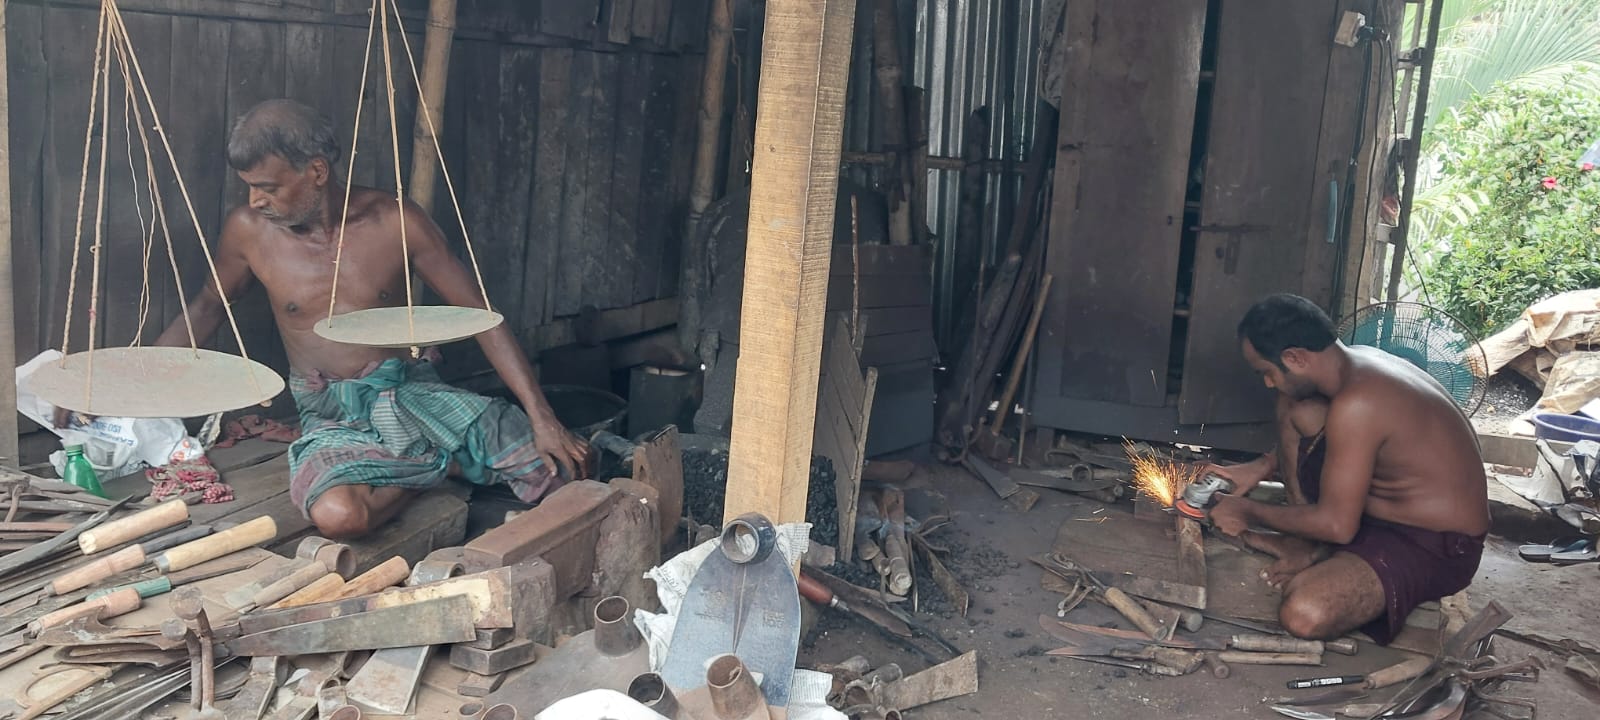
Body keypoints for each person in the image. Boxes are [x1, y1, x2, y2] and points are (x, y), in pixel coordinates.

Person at [62, 99, 588, 539]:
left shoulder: (395, 221)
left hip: (413, 393)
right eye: (249, 186)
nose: (255, 200)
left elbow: (481, 316)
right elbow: (206, 309)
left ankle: (424, 454)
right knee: (339, 517)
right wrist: (119, 389)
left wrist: (543, 417)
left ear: (316, 171)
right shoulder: (248, 232)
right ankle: (435, 465)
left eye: (268, 186)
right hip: (332, 411)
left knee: (565, 471)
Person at [1202, 293, 1488, 645]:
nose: (1267, 382)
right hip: (1382, 512)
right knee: (1294, 402)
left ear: (1295, 357)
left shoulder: (1359, 403)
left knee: (1304, 612)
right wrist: (1262, 465)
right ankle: (1303, 544)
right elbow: (1346, 441)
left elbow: (1337, 526)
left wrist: (1248, 510)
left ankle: (1316, 544)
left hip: (1434, 544)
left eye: (1266, 371)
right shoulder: (1356, 362)